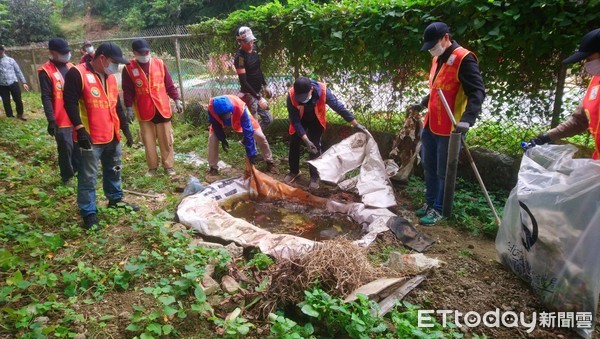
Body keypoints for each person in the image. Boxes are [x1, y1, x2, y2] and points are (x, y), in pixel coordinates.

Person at [410, 22, 485, 225]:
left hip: (450, 128)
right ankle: (430, 203)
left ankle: (440, 209)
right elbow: (437, 88)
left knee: (444, 170)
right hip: (431, 123)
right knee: (428, 165)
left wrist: (467, 120)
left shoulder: (464, 59)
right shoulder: (437, 59)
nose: (432, 50)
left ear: (445, 38)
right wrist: (423, 103)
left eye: (434, 44)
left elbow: (477, 92)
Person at [63, 42, 138, 230]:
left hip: (111, 134)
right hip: (90, 137)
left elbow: (116, 105)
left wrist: (125, 130)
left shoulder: (111, 78)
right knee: (88, 176)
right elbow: (69, 102)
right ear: (102, 58)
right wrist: (80, 129)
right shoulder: (77, 73)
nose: (117, 67)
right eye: (115, 62)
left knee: (114, 169)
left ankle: (115, 199)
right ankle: (88, 212)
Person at [526, 28, 600, 160]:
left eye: (590, 58)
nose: (587, 64)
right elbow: (579, 121)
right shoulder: (595, 82)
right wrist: (546, 137)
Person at [285, 76, 367, 189]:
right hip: (300, 119)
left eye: (304, 96)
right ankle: (294, 171)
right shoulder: (291, 95)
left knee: (315, 146)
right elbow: (294, 120)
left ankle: (314, 177)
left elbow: (339, 107)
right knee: (294, 143)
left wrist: (355, 124)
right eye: (300, 97)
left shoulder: (323, 91)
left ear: (311, 90)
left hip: (316, 120)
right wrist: (305, 139)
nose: (301, 99)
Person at [122, 39, 182, 177]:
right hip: (144, 110)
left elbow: (169, 84)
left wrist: (177, 100)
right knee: (148, 141)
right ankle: (152, 168)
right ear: (135, 53)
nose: (145, 54)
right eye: (142, 53)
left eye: (147, 52)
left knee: (166, 139)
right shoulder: (128, 68)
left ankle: (168, 166)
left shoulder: (159, 64)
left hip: (162, 108)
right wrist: (129, 108)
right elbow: (128, 90)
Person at [39, 38, 79, 186]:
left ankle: (78, 170)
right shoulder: (46, 72)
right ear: (51, 53)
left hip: (75, 114)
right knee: (65, 147)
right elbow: (46, 96)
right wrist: (51, 119)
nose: (66, 55)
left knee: (77, 146)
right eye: (62, 53)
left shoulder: (71, 67)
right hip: (60, 116)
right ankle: (67, 176)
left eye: (67, 52)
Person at [207, 95, 276, 175]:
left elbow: (248, 132)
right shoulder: (211, 107)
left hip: (240, 115)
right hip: (219, 122)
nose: (227, 116)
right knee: (212, 139)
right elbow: (215, 124)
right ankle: (213, 168)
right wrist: (222, 138)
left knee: (260, 136)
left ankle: (270, 162)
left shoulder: (240, 108)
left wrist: (251, 154)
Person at [234, 26, 273, 130]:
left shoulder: (254, 50)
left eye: (251, 40)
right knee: (253, 123)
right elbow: (243, 82)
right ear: (240, 42)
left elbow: (258, 69)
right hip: (249, 94)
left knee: (268, 120)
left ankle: (249, 138)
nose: (250, 43)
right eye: (247, 41)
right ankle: (252, 142)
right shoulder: (240, 58)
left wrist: (265, 85)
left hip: (257, 92)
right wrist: (259, 98)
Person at [0, 44, 29, 120]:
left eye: (1, 52)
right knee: (6, 101)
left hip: (13, 83)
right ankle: (9, 116)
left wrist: (24, 82)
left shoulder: (11, 60)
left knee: (18, 99)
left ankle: (20, 115)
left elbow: (18, 71)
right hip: (2, 85)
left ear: (3, 51)